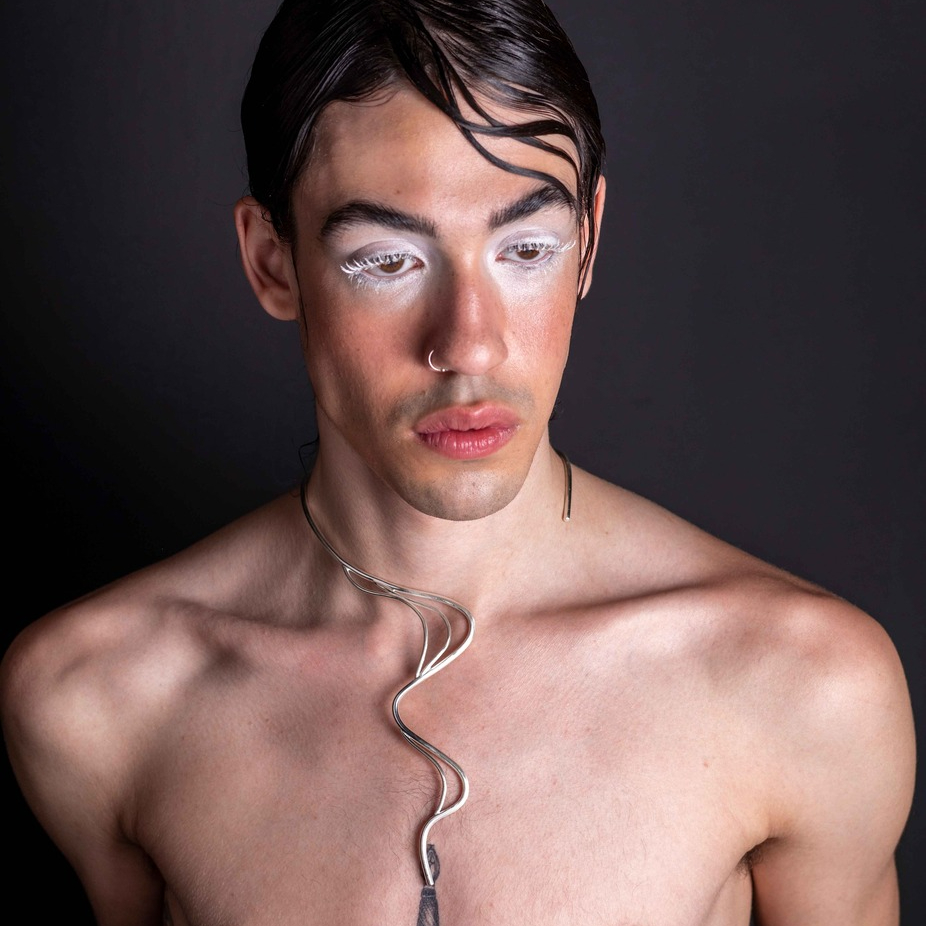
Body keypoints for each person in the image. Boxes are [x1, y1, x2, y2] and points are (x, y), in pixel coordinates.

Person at [1, 1, 915, 924]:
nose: (469, 344)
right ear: (273, 262)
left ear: (588, 241)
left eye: (527, 248)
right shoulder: (100, 699)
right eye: (387, 260)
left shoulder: (803, 689)